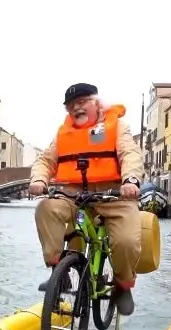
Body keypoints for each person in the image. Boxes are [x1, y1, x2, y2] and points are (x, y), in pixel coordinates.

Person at [28, 83, 143, 316]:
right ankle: (58, 275)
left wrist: (130, 180)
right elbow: (45, 160)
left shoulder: (117, 127)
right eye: (71, 106)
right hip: (74, 196)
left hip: (114, 196)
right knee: (46, 209)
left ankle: (123, 285)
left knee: (126, 241)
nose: (76, 108)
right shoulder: (63, 134)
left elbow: (130, 154)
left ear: (96, 103)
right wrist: (39, 179)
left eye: (81, 102)